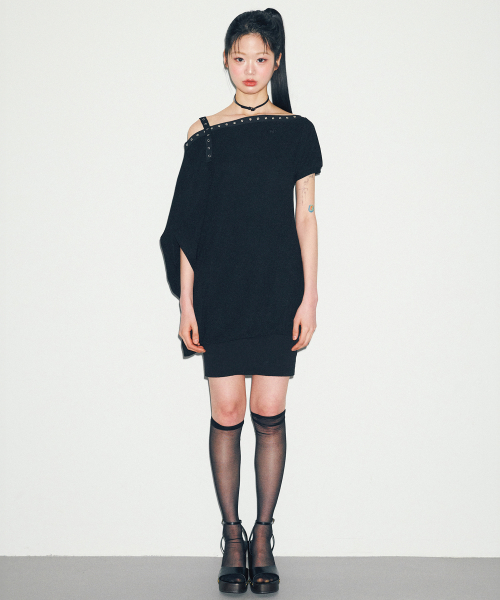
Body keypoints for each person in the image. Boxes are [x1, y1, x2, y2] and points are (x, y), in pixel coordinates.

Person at [160, 8, 323, 594]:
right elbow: (189, 226)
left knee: (269, 416)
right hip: (221, 291)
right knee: (227, 413)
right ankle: (232, 537)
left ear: (276, 62)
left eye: (260, 58)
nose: (249, 69)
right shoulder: (203, 132)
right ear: (225, 61)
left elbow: (307, 218)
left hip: (277, 288)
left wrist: (309, 297)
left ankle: (263, 535)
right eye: (239, 57)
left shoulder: (298, 130)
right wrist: (187, 304)